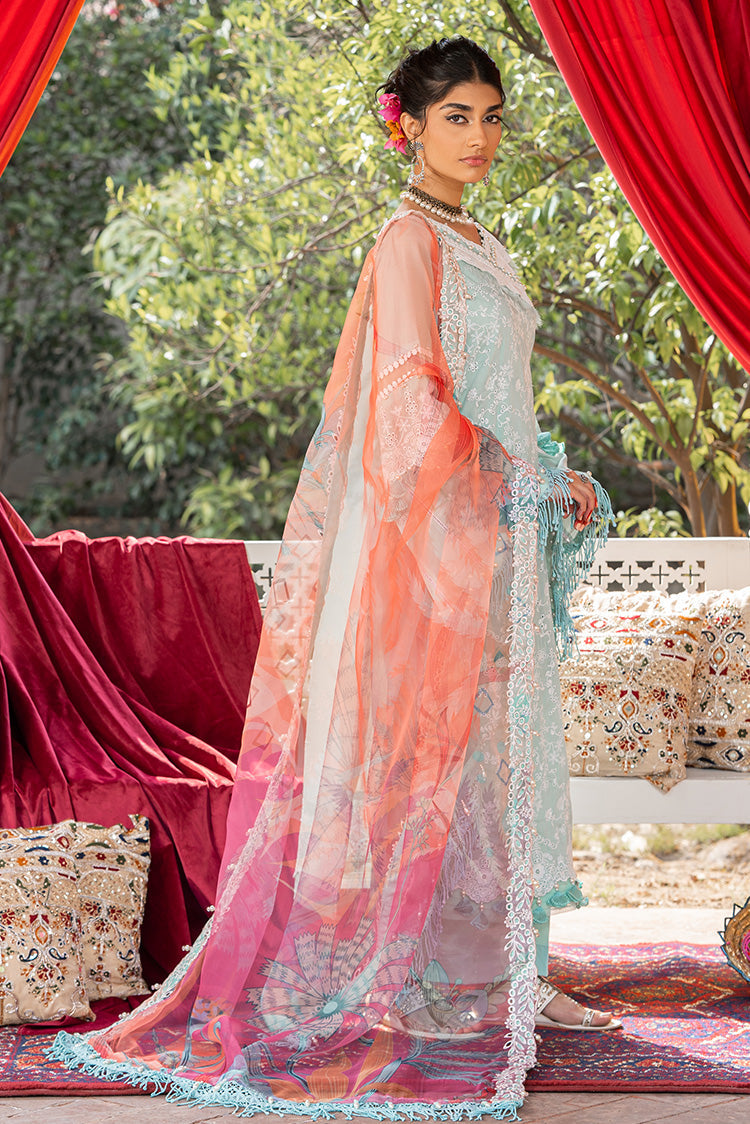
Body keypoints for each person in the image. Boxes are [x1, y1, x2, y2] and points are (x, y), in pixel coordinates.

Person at [52, 36, 618, 1120]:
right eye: (457, 117)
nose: (481, 137)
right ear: (409, 125)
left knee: (494, 764)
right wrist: (525, 478)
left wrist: (550, 476)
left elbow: (501, 396)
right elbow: (410, 412)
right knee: (433, 764)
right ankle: (429, 985)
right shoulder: (409, 241)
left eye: (494, 116)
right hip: (435, 550)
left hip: (498, 540)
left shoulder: (483, 241)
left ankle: (506, 973)